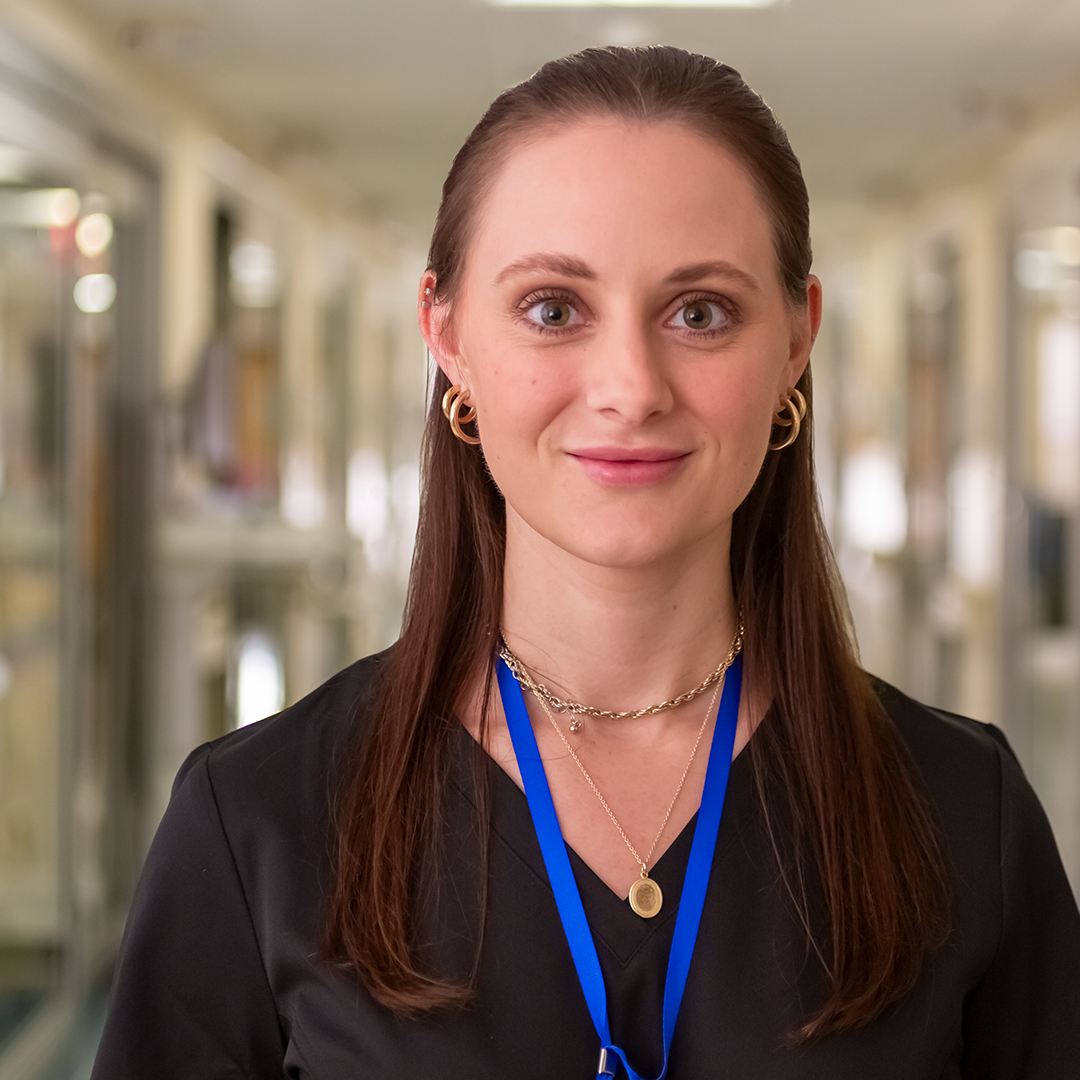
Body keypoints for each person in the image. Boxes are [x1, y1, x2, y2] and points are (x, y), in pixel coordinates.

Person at [91, 46, 1080, 1080]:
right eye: (553, 308)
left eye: (699, 311)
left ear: (796, 341)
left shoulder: (966, 814)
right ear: (448, 338)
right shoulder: (261, 823)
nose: (629, 387)